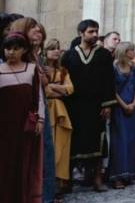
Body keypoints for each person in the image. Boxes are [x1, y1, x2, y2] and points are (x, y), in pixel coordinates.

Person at [61, 19, 116, 193]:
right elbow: (63, 80)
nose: (95, 34)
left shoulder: (104, 55)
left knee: (97, 142)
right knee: (72, 142)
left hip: (96, 106)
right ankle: (67, 180)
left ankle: (97, 180)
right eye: (91, 31)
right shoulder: (68, 56)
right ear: (81, 33)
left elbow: (109, 81)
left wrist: (107, 104)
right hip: (73, 106)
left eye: (96, 31)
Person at [0, 31, 45, 203]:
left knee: (24, 163)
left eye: (16, 48)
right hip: (3, 126)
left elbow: (38, 96)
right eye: (8, 48)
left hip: (24, 125)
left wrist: (40, 119)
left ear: (24, 49)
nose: (11, 52)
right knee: (4, 163)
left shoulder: (31, 69)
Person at [44, 39, 74, 196]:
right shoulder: (40, 69)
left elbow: (70, 89)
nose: (56, 51)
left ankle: (59, 182)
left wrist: (53, 86)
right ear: (45, 51)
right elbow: (44, 92)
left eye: (58, 48)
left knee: (61, 145)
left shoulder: (62, 71)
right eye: (52, 48)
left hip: (60, 110)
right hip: (45, 109)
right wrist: (56, 90)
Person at [108, 41, 135, 188]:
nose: (134, 52)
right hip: (119, 108)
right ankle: (117, 176)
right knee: (119, 142)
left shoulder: (132, 67)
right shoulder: (114, 67)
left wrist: (133, 104)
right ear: (125, 52)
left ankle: (128, 173)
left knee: (130, 140)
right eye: (132, 50)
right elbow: (112, 90)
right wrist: (124, 105)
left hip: (132, 107)